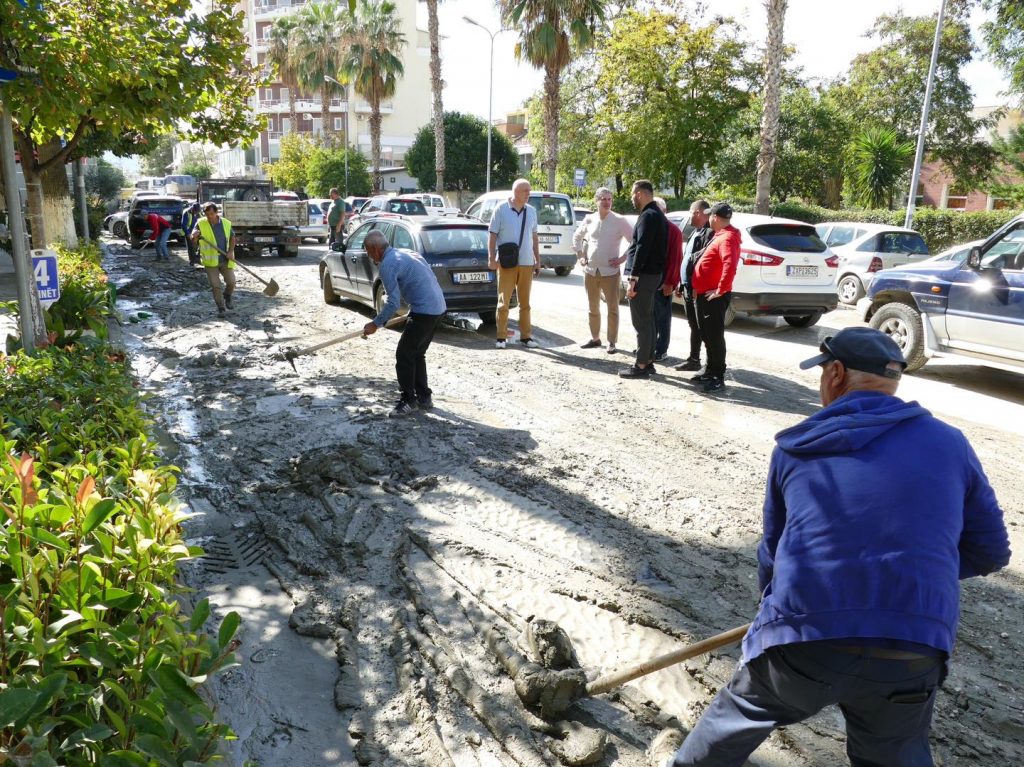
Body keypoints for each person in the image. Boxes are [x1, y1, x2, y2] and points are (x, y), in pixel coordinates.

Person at [659, 327, 1011, 767]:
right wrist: (908, 570)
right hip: (912, 646)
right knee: (895, 755)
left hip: (804, 641)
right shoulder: (950, 443)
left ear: (837, 373)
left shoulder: (797, 447)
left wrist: (780, 614)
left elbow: (774, 554)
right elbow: (992, 551)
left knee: (738, 714)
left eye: (823, 370)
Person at [362, 230, 447, 418]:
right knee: (417, 354)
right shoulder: (407, 253)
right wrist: (414, 308)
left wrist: (375, 324)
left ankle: (408, 400)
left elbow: (392, 302)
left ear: (376, 249)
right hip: (438, 308)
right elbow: (425, 279)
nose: (369, 256)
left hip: (425, 311)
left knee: (404, 355)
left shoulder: (388, 264)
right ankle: (424, 397)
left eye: (368, 252)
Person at [572, 187, 633, 353]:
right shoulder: (589, 219)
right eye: (603, 199)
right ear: (596, 200)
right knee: (593, 307)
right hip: (590, 271)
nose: (607, 202)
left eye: (609, 199)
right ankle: (595, 338)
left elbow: (635, 241)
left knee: (612, 308)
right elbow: (576, 237)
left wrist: (622, 258)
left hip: (610, 272)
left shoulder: (619, 220)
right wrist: (580, 256)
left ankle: (611, 341)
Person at [620, 179, 667, 378]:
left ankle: (641, 365)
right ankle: (648, 361)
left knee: (641, 322)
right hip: (652, 275)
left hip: (644, 276)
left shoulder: (648, 216)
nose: (632, 197)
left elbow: (642, 247)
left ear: (640, 193)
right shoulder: (657, 215)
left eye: (633, 193)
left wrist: (633, 278)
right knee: (648, 320)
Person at [690, 202, 739, 392]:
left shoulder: (728, 238)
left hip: (714, 296)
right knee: (707, 333)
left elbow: (730, 264)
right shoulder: (720, 234)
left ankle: (717, 375)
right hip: (705, 293)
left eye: (710, 215)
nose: (708, 218)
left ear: (716, 218)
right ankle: (710, 370)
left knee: (714, 336)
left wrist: (721, 289)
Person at [488, 178, 541, 349]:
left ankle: (526, 337)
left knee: (525, 303)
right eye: (525, 191)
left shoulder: (531, 211)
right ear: (515, 192)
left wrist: (537, 260)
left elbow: (534, 237)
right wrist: (491, 257)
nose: (528, 194)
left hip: (526, 262)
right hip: (506, 263)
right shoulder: (501, 209)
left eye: (529, 191)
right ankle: (501, 337)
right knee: (503, 302)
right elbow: (492, 234)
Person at [674, 200, 713, 372]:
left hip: (698, 289)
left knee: (703, 327)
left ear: (698, 212)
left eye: (691, 213)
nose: (689, 216)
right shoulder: (696, 231)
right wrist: (681, 283)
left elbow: (702, 263)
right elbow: (687, 258)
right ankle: (694, 358)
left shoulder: (709, 233)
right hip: (688, 287)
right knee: (694, 325)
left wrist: (696, 286)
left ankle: (708, 363)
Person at [192, 202, 236, 317]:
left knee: (231, 282)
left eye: (211, 214)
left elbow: (232, 238)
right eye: (207, 214)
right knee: (215, 285)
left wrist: (231, 251)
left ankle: (227, 296)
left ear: (216, 212)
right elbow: (193, 237)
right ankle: (221, 307)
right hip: (210, 262)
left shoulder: (226, 223)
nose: (209, 217)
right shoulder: (201, 223)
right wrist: (194, 235)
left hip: (225, 259)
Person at [652, 197, 683, 363]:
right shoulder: (652, 228)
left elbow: (676, 259)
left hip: (664, 281)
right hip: (650, 280)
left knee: (663, 317)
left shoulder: (673, 231)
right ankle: (649, 345)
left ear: (664, 212)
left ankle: (661, 349)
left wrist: (670, 282)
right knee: (650, 317)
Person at [181, 202, 202, 266]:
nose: (196, 213)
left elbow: (201, 220)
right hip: (189, 232)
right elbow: (183, 225)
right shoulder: (186, 212)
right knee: (191, 247)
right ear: (192, 208)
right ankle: (192, 261)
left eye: (197, 211)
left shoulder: (198, 213)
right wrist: (187, 234)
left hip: (196, 231)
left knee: (199, 245)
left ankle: (198, 259)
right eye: (195, 211)